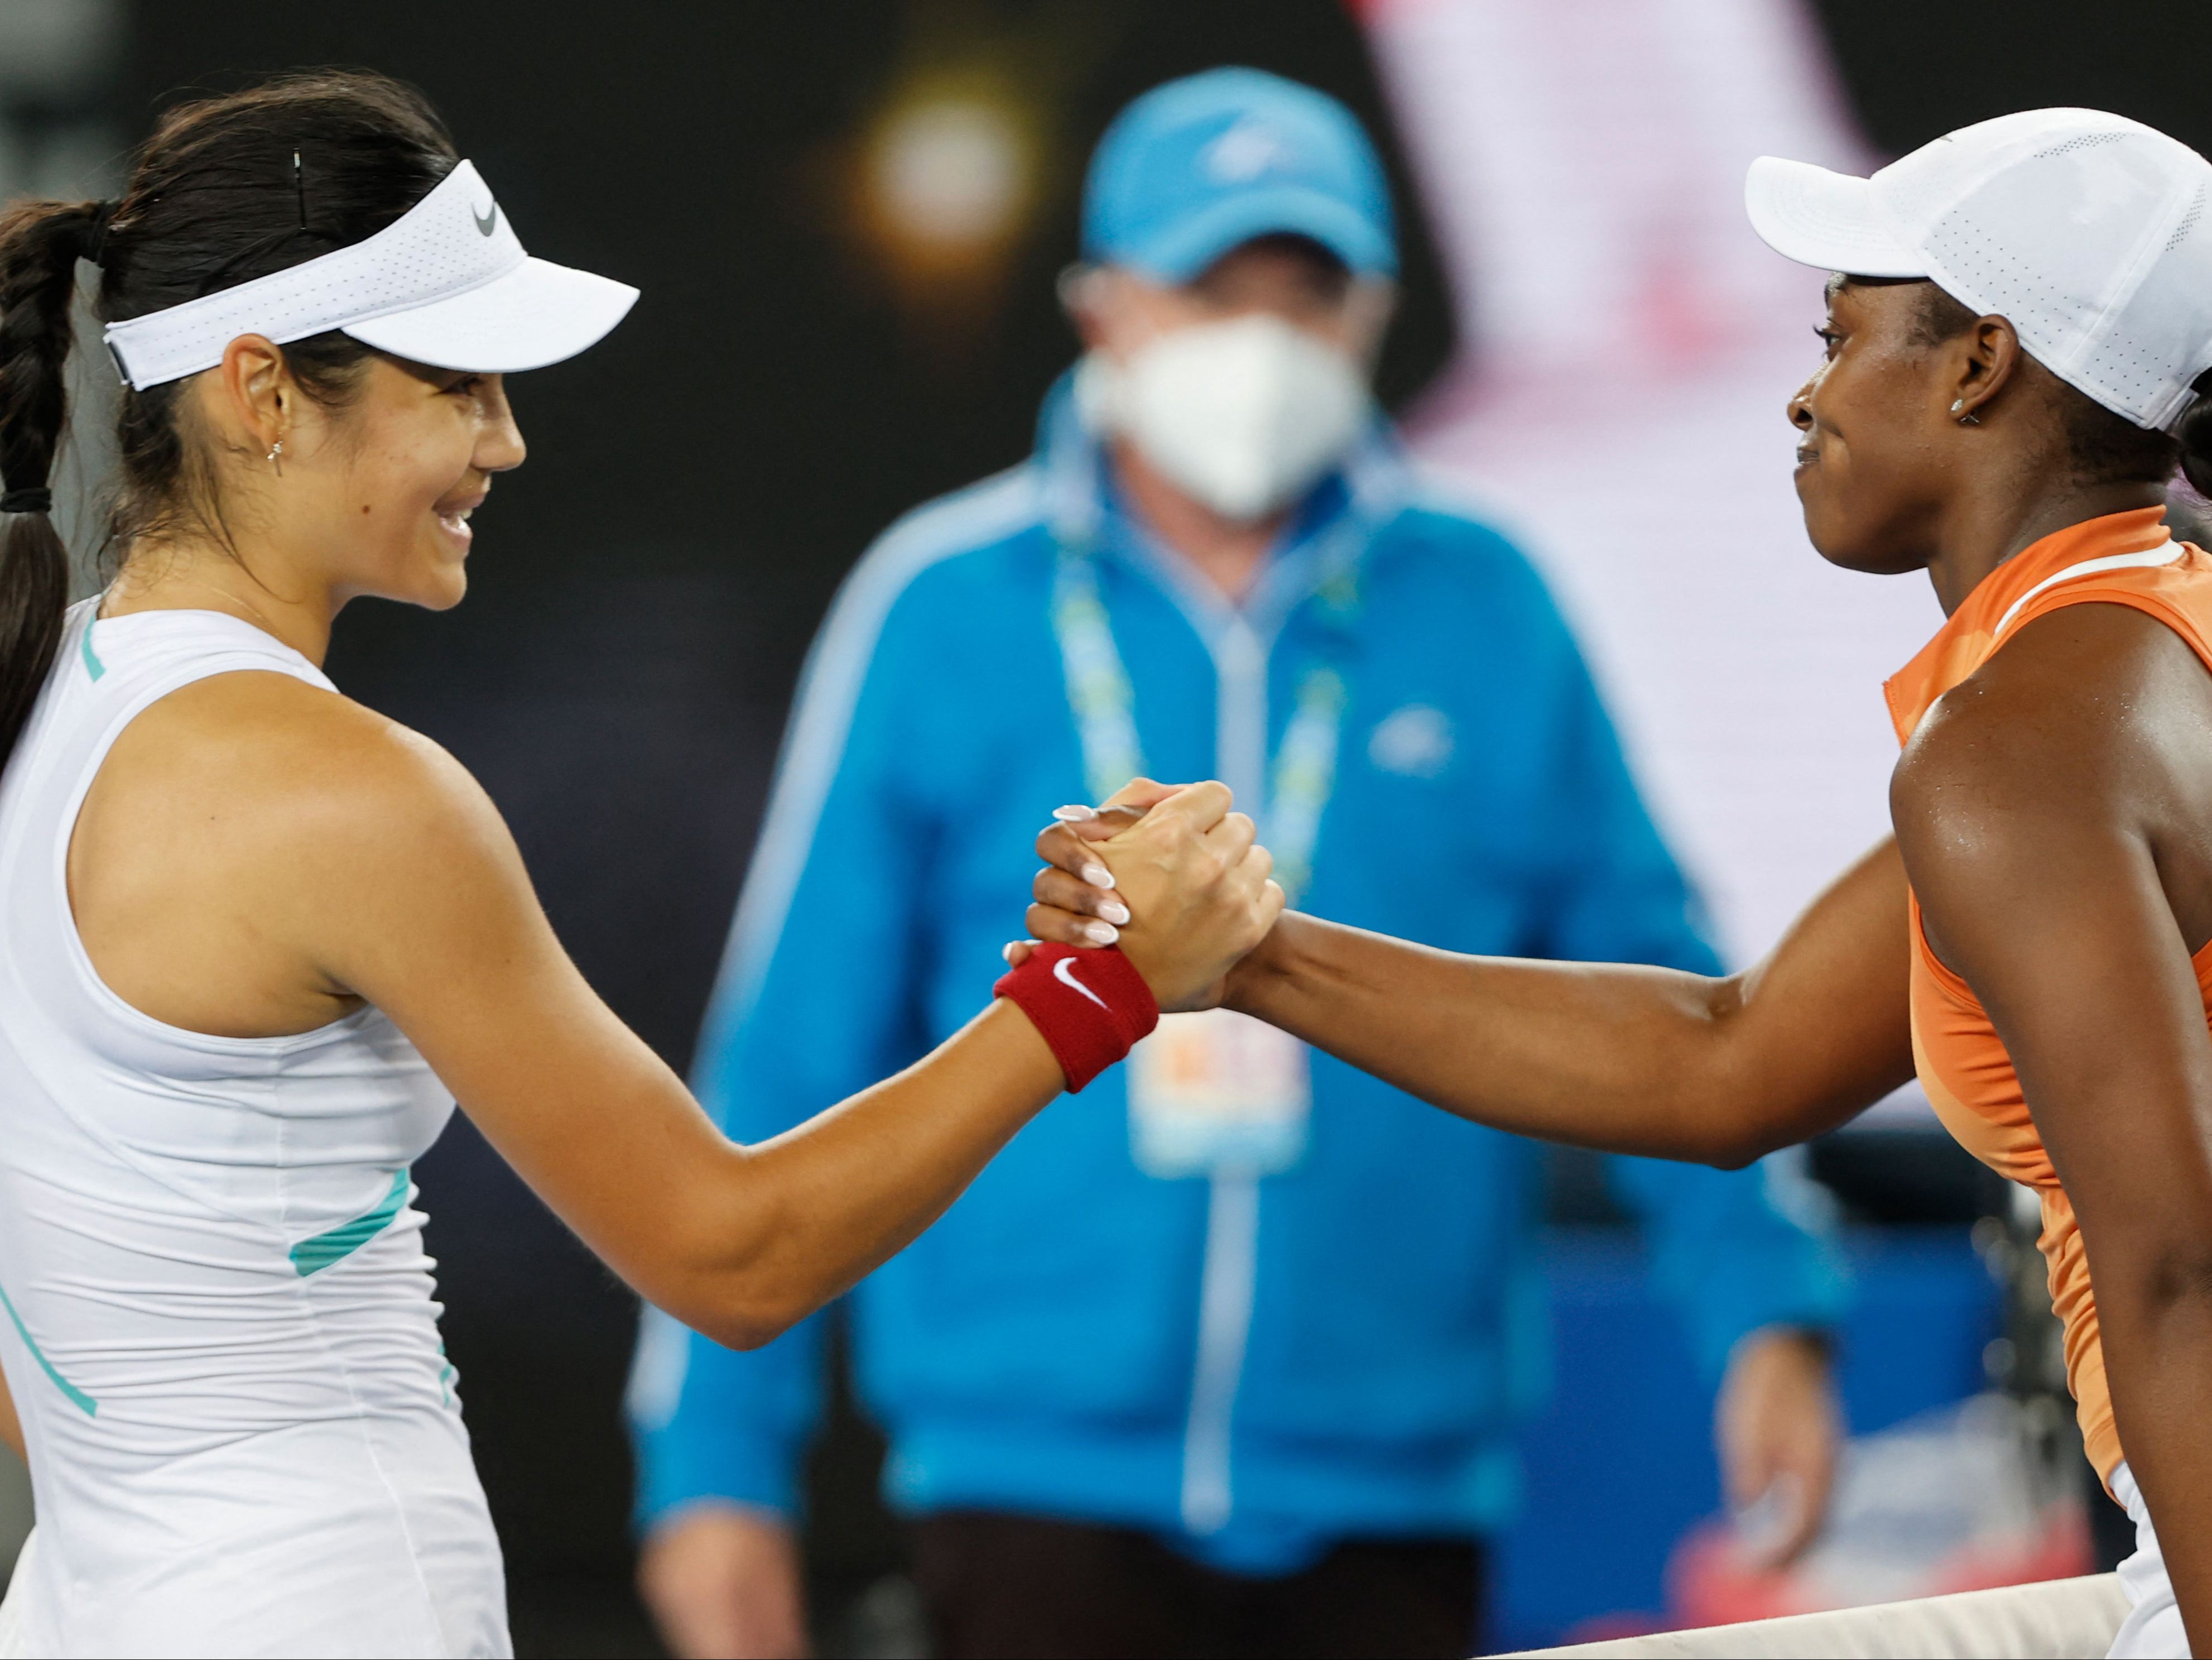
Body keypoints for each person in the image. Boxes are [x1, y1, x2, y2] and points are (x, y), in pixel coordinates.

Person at [0, 71, 1271, 1659]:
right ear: (261, 392)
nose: (508, 443)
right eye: (459, 385)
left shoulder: (40, 704)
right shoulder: (352, 796)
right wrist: (1102, 991)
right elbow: (730, 1256)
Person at [630, 69, 1844, 1660]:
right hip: (1022, 1475)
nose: (1263, 336)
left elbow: (1671, 991)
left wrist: (1765, 1309)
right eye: (1214, 286)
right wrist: (714, 1464)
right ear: (1101, 309)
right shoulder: (942, 603)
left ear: (1375, 311)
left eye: (1307, 287)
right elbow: (792, 1048)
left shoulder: (1486, 601)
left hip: (1399, 1486)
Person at [1030, 107, 2212, 1659]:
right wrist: (1248, 955)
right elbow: (1724, 1058)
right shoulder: (2114, 658)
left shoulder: (2019, 750)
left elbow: (2181, 1267)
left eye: (1838, 334)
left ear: (1979, 366)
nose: (1802, 393)